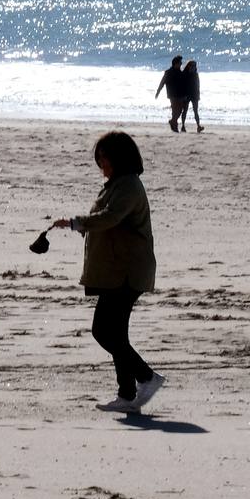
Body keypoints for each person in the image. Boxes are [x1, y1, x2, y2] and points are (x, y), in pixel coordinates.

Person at [52, 131, 166, 414]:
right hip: (118, 269)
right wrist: (80, 227)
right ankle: (127, 396)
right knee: (115, 333)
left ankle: (147, 377)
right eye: (98, 158)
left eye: (103, 157)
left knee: (104, 331)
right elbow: (109, 223)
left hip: (127, 272)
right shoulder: (116, 184)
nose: (100, 163)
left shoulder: (128, 186)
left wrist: (77, 224)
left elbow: (110, 217)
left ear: (118, 157)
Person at [154, 55, 186, 132]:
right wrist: (158, 92)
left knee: (180, 110)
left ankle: (173, 122)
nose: (181, 64)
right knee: (175, 111)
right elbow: (162, 82)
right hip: (173, 95)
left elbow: (184, 84)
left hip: (180, 94)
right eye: (180, 62)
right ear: (176, 63)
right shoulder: (168, 72)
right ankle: (174, 126)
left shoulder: (180, 72)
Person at [181, 60, 203, 133]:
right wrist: (183, 95)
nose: (193, 67)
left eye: (194, 66)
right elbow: (182, 86)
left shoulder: (195, 74)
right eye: (192, 65)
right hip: (186, 95)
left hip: (194, 95)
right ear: (188, 66)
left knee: (196, 111)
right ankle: (183, 126)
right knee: (185, 111)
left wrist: (198, 95)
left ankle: (198, 126)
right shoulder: (184, 74)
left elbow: (198, 85)